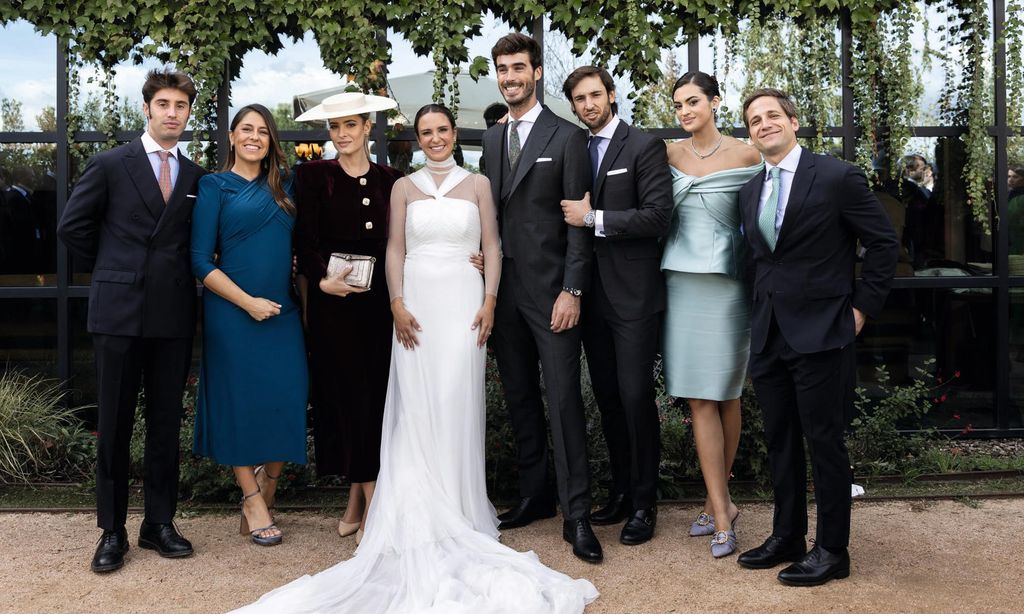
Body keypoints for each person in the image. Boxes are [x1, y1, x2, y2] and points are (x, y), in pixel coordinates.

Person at [233, 104, 598, 614]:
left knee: (456, 400)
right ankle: (409, 507)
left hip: (466, 305)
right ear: (417, 138)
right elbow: (395, 250)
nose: (434, 139)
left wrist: (490, 300)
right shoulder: (402, 186)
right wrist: (397, 303)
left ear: (454, 135)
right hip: (416, 306)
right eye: (425, 132)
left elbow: (492, 245)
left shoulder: (478, 185)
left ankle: (460, 505)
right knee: (416, 405)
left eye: (441, 131)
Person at [735, 88, 898, 585]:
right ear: (749, 132)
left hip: (824, 333)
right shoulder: (749, 191)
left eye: (771, 116)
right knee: (780, 440)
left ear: (793, 121)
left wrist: (861, 310)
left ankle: (831, 550)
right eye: (754, 120)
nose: (763, 124)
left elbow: (883, 243)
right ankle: (786, 534)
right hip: (768, 334)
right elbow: (758, 261)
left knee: (824, 442)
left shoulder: (835, 176)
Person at [57, 68, 204, 573]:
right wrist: (117, 268)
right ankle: (112, 530)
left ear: (188, 113)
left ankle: (159, 524)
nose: (172, 113)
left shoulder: (194, 175)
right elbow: (72, 226)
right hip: (118, 313)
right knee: (114, 425)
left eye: (180, 106)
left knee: (165, 425)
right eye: (163, 103)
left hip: (172, 316)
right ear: (147, 109)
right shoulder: (110, 163)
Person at [481, 33, 601, 564]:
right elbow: (491, 215)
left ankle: (577, 516)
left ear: (536, 73)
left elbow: (579, 223)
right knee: (520, 397)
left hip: (554, 293)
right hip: (502, 294)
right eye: (502, 69)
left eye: (518, 68)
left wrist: (573, 289)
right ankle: (535, 495)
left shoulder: (568, 137)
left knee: (563, 401)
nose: (510, 77)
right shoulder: (489, 138)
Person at [558, 66, 672, 546]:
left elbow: (658, 216)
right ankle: (622, 491)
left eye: (593, 95)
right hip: (591, 298)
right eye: (579, 99)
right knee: (606, 397)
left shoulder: (643, 145)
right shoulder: (574, 146)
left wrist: (594, 218)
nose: (587, 104)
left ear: (610, 95)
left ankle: (646, 502)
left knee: (634, 396)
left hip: (633, 296)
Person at [190, 104, 308, 546]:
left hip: (283, 311)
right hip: (232, 313)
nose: (255, 136)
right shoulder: (213, 186)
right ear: (233, 137)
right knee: (237, 403)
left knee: (290, 395)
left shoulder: (287, 185)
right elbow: (200, 261)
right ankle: (252, 497)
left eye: (263, 131)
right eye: (246, 129)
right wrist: (247, 302)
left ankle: (270, 485)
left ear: (271, 140)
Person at [658, 71, 763, 557]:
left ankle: (716, 500)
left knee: (728, 395)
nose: (684, 111)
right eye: (678, 104)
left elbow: (769, 213)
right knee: (699, 397)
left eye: (693, 101)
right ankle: (723, 512)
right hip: (682, 282)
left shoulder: (748, 154)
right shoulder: (667, 153)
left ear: (716, 102)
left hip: (729, 284)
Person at [293, 92, 403, 543]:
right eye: (335, 128)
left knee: (374, 401)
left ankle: (358, 499)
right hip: (333, 307)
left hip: (379, 307)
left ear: (368, 127)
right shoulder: (314, 175)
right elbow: (305, 241)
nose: (342, 135)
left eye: (351, 126)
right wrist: (321, 281)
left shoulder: (391, 179)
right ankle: (370, 500)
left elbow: (404, 240)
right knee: (345, 400)